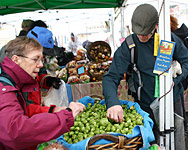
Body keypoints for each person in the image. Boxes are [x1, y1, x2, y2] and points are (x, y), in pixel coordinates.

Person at [102, 4, 188, 150]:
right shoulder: (129, 45)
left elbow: (186, 61)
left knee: (176, 140)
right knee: (152, 143)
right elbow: (111, 77)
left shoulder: (168, 39)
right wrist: (113, 103)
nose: (141, 36)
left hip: (172, 101)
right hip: (146, 104)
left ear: (155, 26)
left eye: (145, 33)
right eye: (138, 33)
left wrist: (176, 78)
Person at [0, 36, 85, 149]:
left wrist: (53, 110)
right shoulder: (5, 90)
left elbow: (22, 112)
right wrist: (66, 116)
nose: (40, 65)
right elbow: (16, 132)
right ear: (16, 59)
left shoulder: (15, 83)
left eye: (41, 60)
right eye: (35, 59)